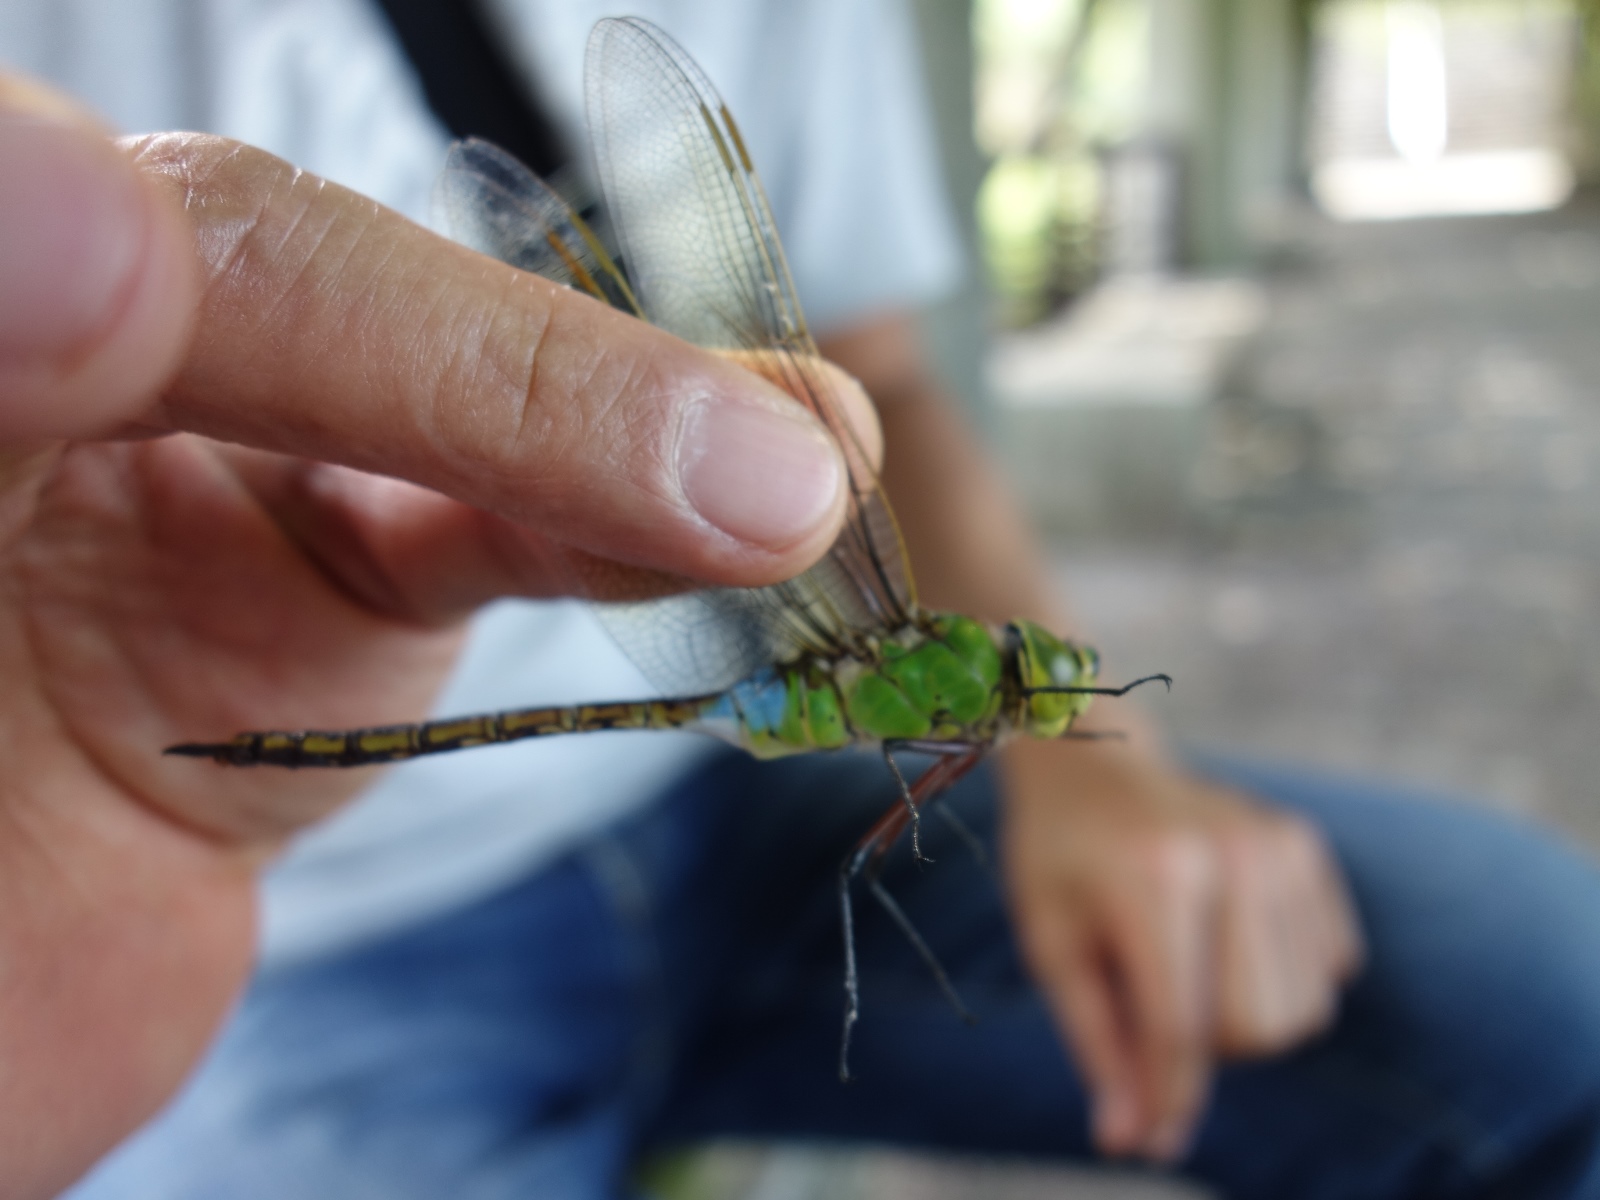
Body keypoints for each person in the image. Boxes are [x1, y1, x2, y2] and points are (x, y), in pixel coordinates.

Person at [1, 3, 1597, 1198]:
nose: (1047, 694)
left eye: (1039, 689)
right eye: (1035, 686)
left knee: (1549, 999)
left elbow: (880, 371)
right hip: (312, 927)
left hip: (723, 811)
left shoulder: (928, 687)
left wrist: (1099, 789)